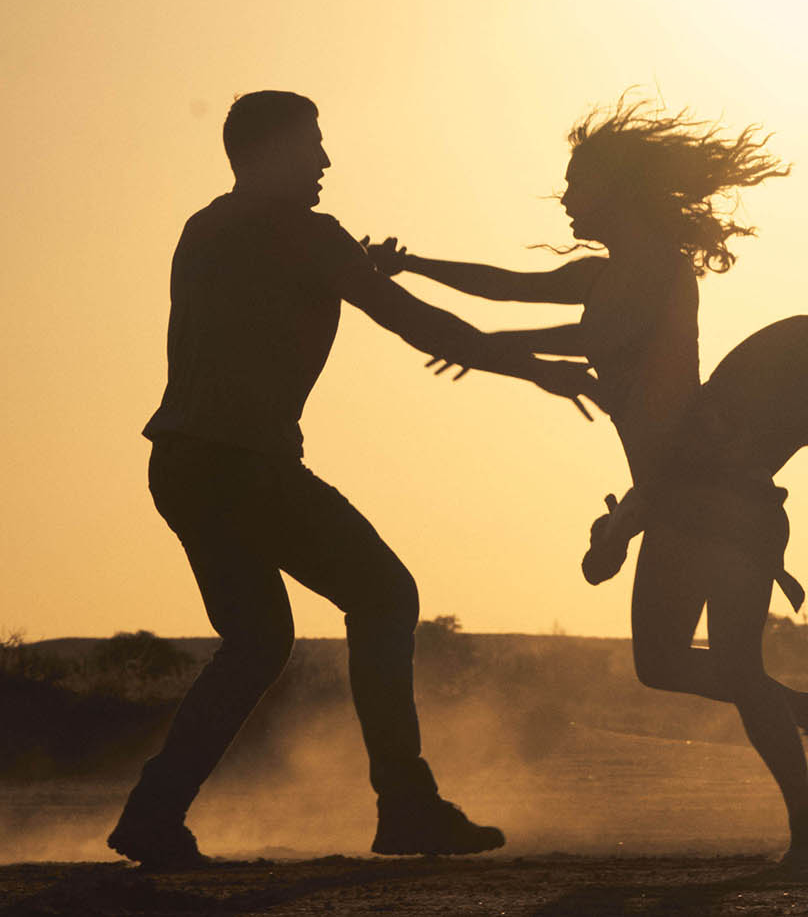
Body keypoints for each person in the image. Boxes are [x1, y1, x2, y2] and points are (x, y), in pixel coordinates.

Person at [368, 98, 808, 868]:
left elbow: (591, 339)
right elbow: (504, 282)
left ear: (614, 188)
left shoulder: (656, 271)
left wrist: (478, 345)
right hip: (681, 496)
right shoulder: (608, 273)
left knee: (733, 665)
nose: (563, 196)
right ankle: (807, 709)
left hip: (722, 503)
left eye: (574, 181)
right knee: (661, 664)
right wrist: (411, 266)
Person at [108, 91, 598, 871]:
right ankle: (405, 805)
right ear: (269, 151)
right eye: (313, 145)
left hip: (180, 462)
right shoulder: (307, 234)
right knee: (384, 595)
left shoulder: (204, 229)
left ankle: (154, 813)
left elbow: (274, 291)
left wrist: (346, 264)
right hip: (245, 464)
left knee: (259, 641)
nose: (326, 162)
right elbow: (416, 323)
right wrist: (531, 367)